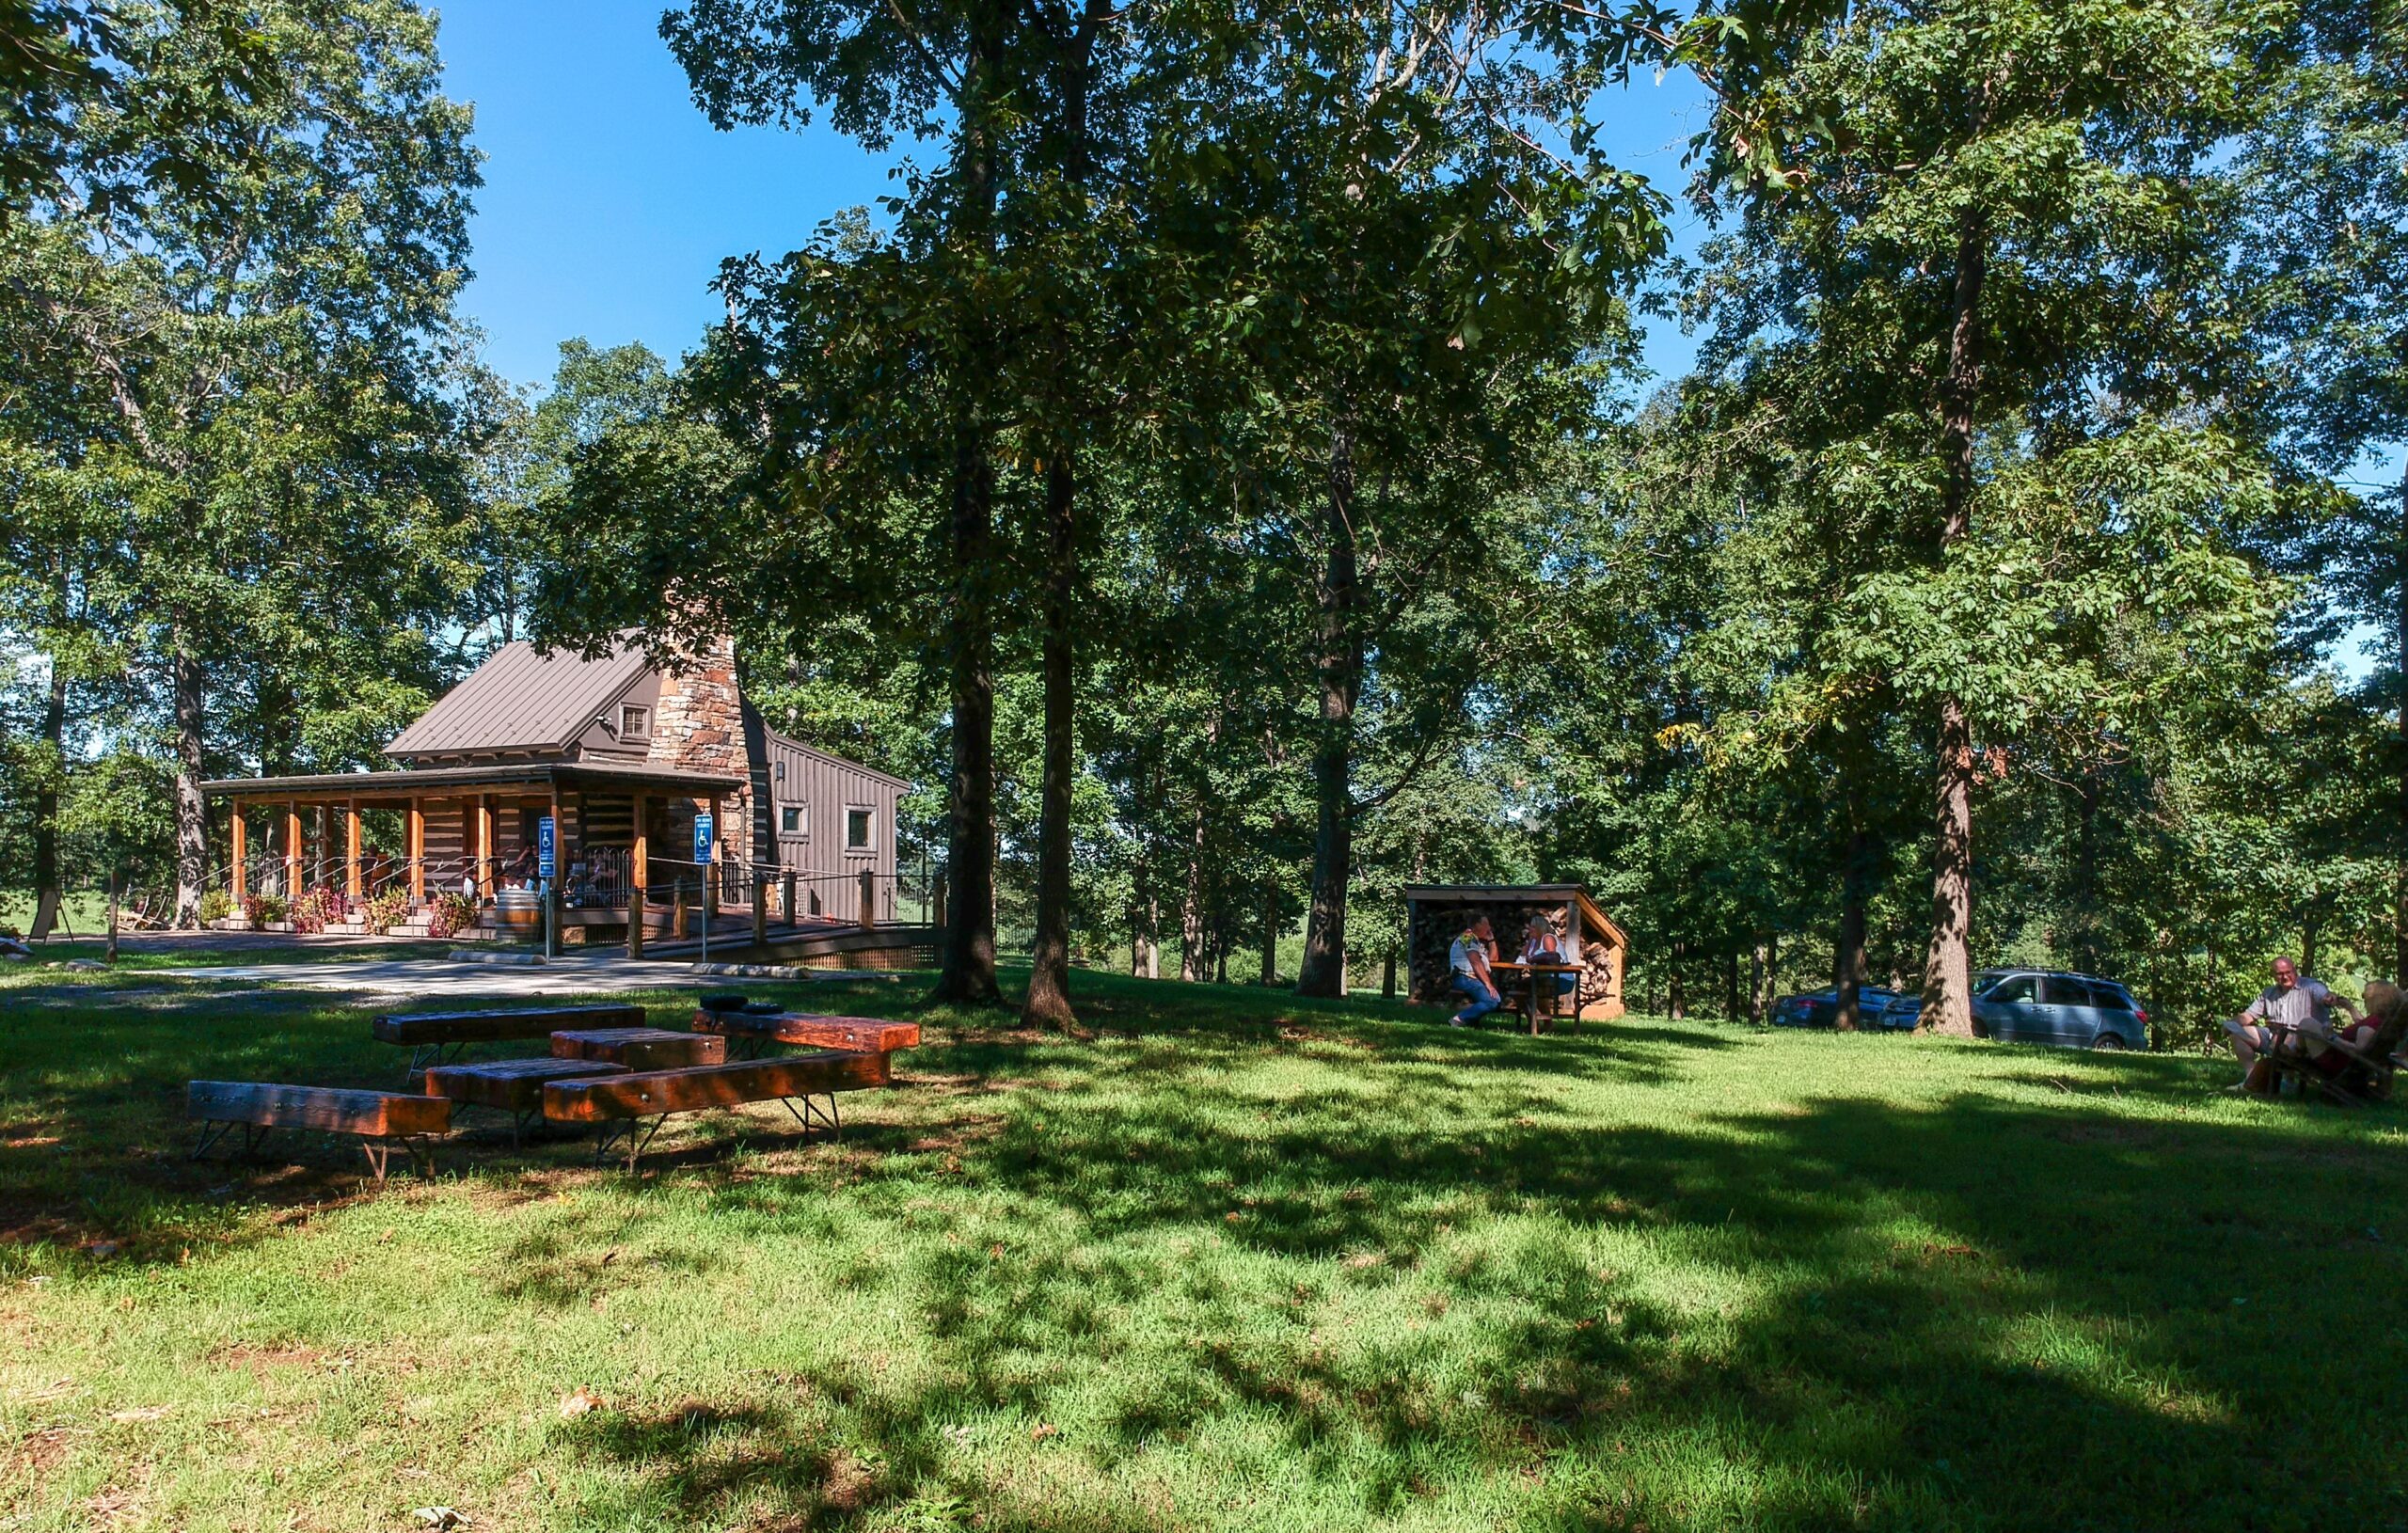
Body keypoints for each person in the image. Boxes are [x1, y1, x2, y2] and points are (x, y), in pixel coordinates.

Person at [2222, 956, 2364, 1093]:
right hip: (2273, 1036)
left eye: (2288, 972)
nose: (2284, 977)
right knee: (2237, 1034)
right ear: (2273, 975)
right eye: (2279, 974)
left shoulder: (2310, 986)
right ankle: (2252, 1078)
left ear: (2294, 970)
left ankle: (2286, 1082)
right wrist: (2231, 1024)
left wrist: (2329, 998)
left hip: (2302, 1039)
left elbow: (2324, 996)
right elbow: (2249, 1015)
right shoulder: (2269, 993)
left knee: (2289, 1037)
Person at [1449, 915, 1502, 1028]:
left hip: (1470, 978)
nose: (1489, 927)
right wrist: (1488, 984)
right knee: (1491, 1001)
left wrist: (1491, 940)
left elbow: (1493, 959)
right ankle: (1459, 1019)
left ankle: (1470, 1022)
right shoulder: (1468, 937)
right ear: (1477, 925)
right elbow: (1475, 962)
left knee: (1495, 999)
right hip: (1464, 977)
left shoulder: (1476, 941)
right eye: (1486, 924)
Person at [1521, 914, 1580, 1010]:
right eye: (1530, 926)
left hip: (1560, 978)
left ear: (1540, 928)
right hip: (1544, 977)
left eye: (1533, 927)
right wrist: (1530, 940)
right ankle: (1532, 1020)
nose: (1530, 929)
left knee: (1532, 987)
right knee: (1519, 987)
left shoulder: (1548, 938)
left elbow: (1553, 957)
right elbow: (1522, 956)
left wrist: (1533, 959)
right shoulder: (1534, 941)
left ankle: (1545, 1022)